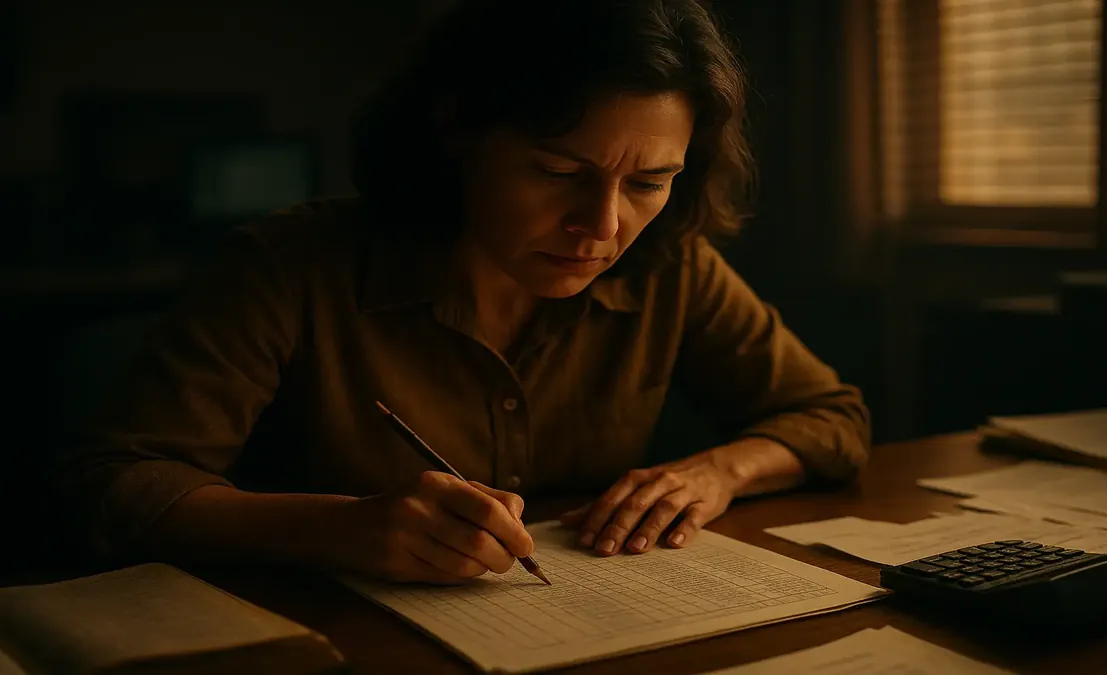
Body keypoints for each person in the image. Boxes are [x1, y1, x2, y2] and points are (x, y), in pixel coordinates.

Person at [53, 0, 869, 585]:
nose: (603, 226)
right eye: (557, 172)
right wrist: (339, 526)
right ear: (457, 129)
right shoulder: (292, 266)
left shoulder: (670, 268)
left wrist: (718, 472)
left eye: (650, 182)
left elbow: (832, 417)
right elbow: (115, 480)